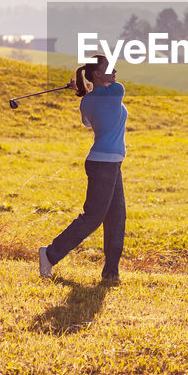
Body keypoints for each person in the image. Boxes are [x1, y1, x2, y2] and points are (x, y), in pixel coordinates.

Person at [39, 54, 127, 283]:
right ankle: (50, 253)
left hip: (109, 162)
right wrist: (84, 88)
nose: (114, 71)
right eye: (109, 67)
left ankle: (111, 273)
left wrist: (83, 89)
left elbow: (89, 120)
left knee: (117, 217)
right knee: (93, 217)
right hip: (104, 164)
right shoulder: (117, 90)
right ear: (98, 73)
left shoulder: (86, 101)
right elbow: (107, 95)